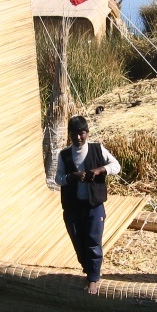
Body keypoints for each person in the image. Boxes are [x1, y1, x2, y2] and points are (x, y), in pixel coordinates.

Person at [54, 115, 121, 295]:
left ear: (87, 133)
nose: (78, 138)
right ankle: (88, 268)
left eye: (82, 133)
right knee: (78, 241)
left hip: (94, 206)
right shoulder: (64, 155)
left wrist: (100, 170)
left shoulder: (97, 149)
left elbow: (116, 166)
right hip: (73, 208)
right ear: (69, 135)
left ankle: (93, 277)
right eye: (74, 134)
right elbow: (58, 178)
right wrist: (71, 177)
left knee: (93, 241)